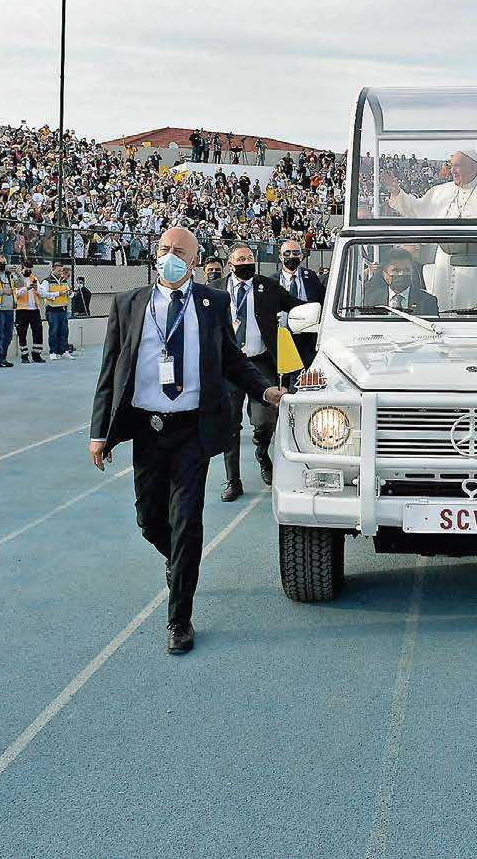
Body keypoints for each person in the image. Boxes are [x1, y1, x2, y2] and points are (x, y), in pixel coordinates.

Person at [88, 227, 285, 654]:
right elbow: (109, 374)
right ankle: (176, 559)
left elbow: (233, 360)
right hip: (147, 428)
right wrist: (98, 432)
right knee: (148, 519)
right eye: (163, 249)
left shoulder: (213, 304)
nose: (169, 256)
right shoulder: (128, 305)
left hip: (193, 430)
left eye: (179, 251)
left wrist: (264, 389)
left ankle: (179, 619)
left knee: (187, 522)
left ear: (194, 261)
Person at [220, 244, 304, 501]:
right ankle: (233, 481)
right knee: (230, 426)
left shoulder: (267, 286)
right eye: (240, 258)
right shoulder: (214, 290)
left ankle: (261, 452)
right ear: (230, 263)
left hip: (261, 365)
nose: (246, 262)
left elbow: (298, 305)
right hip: (229, 366)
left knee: (265, 420)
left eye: (249, 257)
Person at [383, 150, 477, 308]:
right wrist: (397, 192)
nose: (452, 170)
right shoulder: (440, 191)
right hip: (447, 260)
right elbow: (416, 209)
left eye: (457, 166)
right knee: (446, 309)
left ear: (473, 167)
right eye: (451, 165)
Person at [277, 237, 325, 369]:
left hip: (307, 339)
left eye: (295, 253)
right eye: (287, 253)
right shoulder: (272, 281)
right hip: (282, 339)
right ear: (281, 257)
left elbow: (323, 302)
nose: (291, 256)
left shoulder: (311, 277)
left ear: (302, 256)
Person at [364, 248, 439, 315]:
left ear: (412, 272)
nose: (401, 274)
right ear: (385, 274)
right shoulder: (371, 300)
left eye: (406, 270)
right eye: (395, 270)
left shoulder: (428, 301)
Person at [40, 264, 74, 359]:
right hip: (52, 310)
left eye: (61, 271)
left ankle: (64, 351)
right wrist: (58, 294)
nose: (60, 273)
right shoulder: (47, 281)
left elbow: (69, 294)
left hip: (63, 309)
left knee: (64, 331)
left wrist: (70, 293)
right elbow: (43, 294)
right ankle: (53, 352)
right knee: (54, 331)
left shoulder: (64, 281)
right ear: (53, 270)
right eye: (58, 271)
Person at [13, 263, 43, 363]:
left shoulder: (34, 278)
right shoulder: (18, 279)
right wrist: (27, 288)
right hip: (22, 310)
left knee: (38, 331)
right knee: (22, 333)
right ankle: (24, 356)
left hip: (34, 309)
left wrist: (37, 289)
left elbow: (40, 292)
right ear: (22, 269)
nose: (29, 272)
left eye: (30, 270)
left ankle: (36, 355)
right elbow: (16, 293)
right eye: (27, 270)